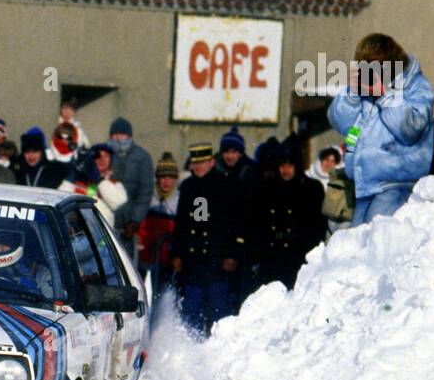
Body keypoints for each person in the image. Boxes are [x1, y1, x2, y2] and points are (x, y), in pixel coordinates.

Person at [328, 33, 434, 226]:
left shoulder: (416, 86)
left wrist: (386, 95)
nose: (370, 71)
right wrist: (352, 93)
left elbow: (411, 130)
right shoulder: (364, 88)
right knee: (357, 245)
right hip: (363, 185)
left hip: (395, 185)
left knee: (375, 241)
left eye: (375, 66)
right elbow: (342, 124)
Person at [171, 142, 244, 337]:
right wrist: (177, 253)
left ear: (212, 162)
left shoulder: (227, 186)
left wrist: (232, 254)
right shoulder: (187, 187)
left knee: (218, 315)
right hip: (193, 262)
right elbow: (181, 223)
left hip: (217, 261)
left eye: (203, 163)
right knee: (191, 317)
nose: (199, 167)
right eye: (195, 163)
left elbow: (236, 223)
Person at [248, 138, 326, 290]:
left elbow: (317, 224)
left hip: (299, 255)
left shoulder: (310, 189)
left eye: (289, 166)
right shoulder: (266, 189)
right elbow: (257, 223)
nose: (285, 170)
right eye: (282, 166)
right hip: (272, 256)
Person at [108, 117, 154, 253]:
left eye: (122, 135)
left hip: (129, 223)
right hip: (108, 217)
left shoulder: (142, 157)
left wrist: (135, 220)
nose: (118, 139)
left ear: (129, 136)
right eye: (115, 135)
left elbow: (145, 193)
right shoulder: (105, 154)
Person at [137, 152, 180, 295]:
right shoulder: (148, 196)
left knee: (160, 295)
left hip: (165, 260)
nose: (166, 182)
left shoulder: (179, 200)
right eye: (162, 177)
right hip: (144, 256)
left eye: (170, 177)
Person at [60, 145, 128, 226]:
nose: (101, 159)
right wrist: (72, 175)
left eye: (106, 156)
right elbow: (60, 201)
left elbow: (118, 202)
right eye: (97, 155)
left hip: (103, 235)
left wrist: (97, 178)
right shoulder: (78, 183)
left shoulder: (115, 184)